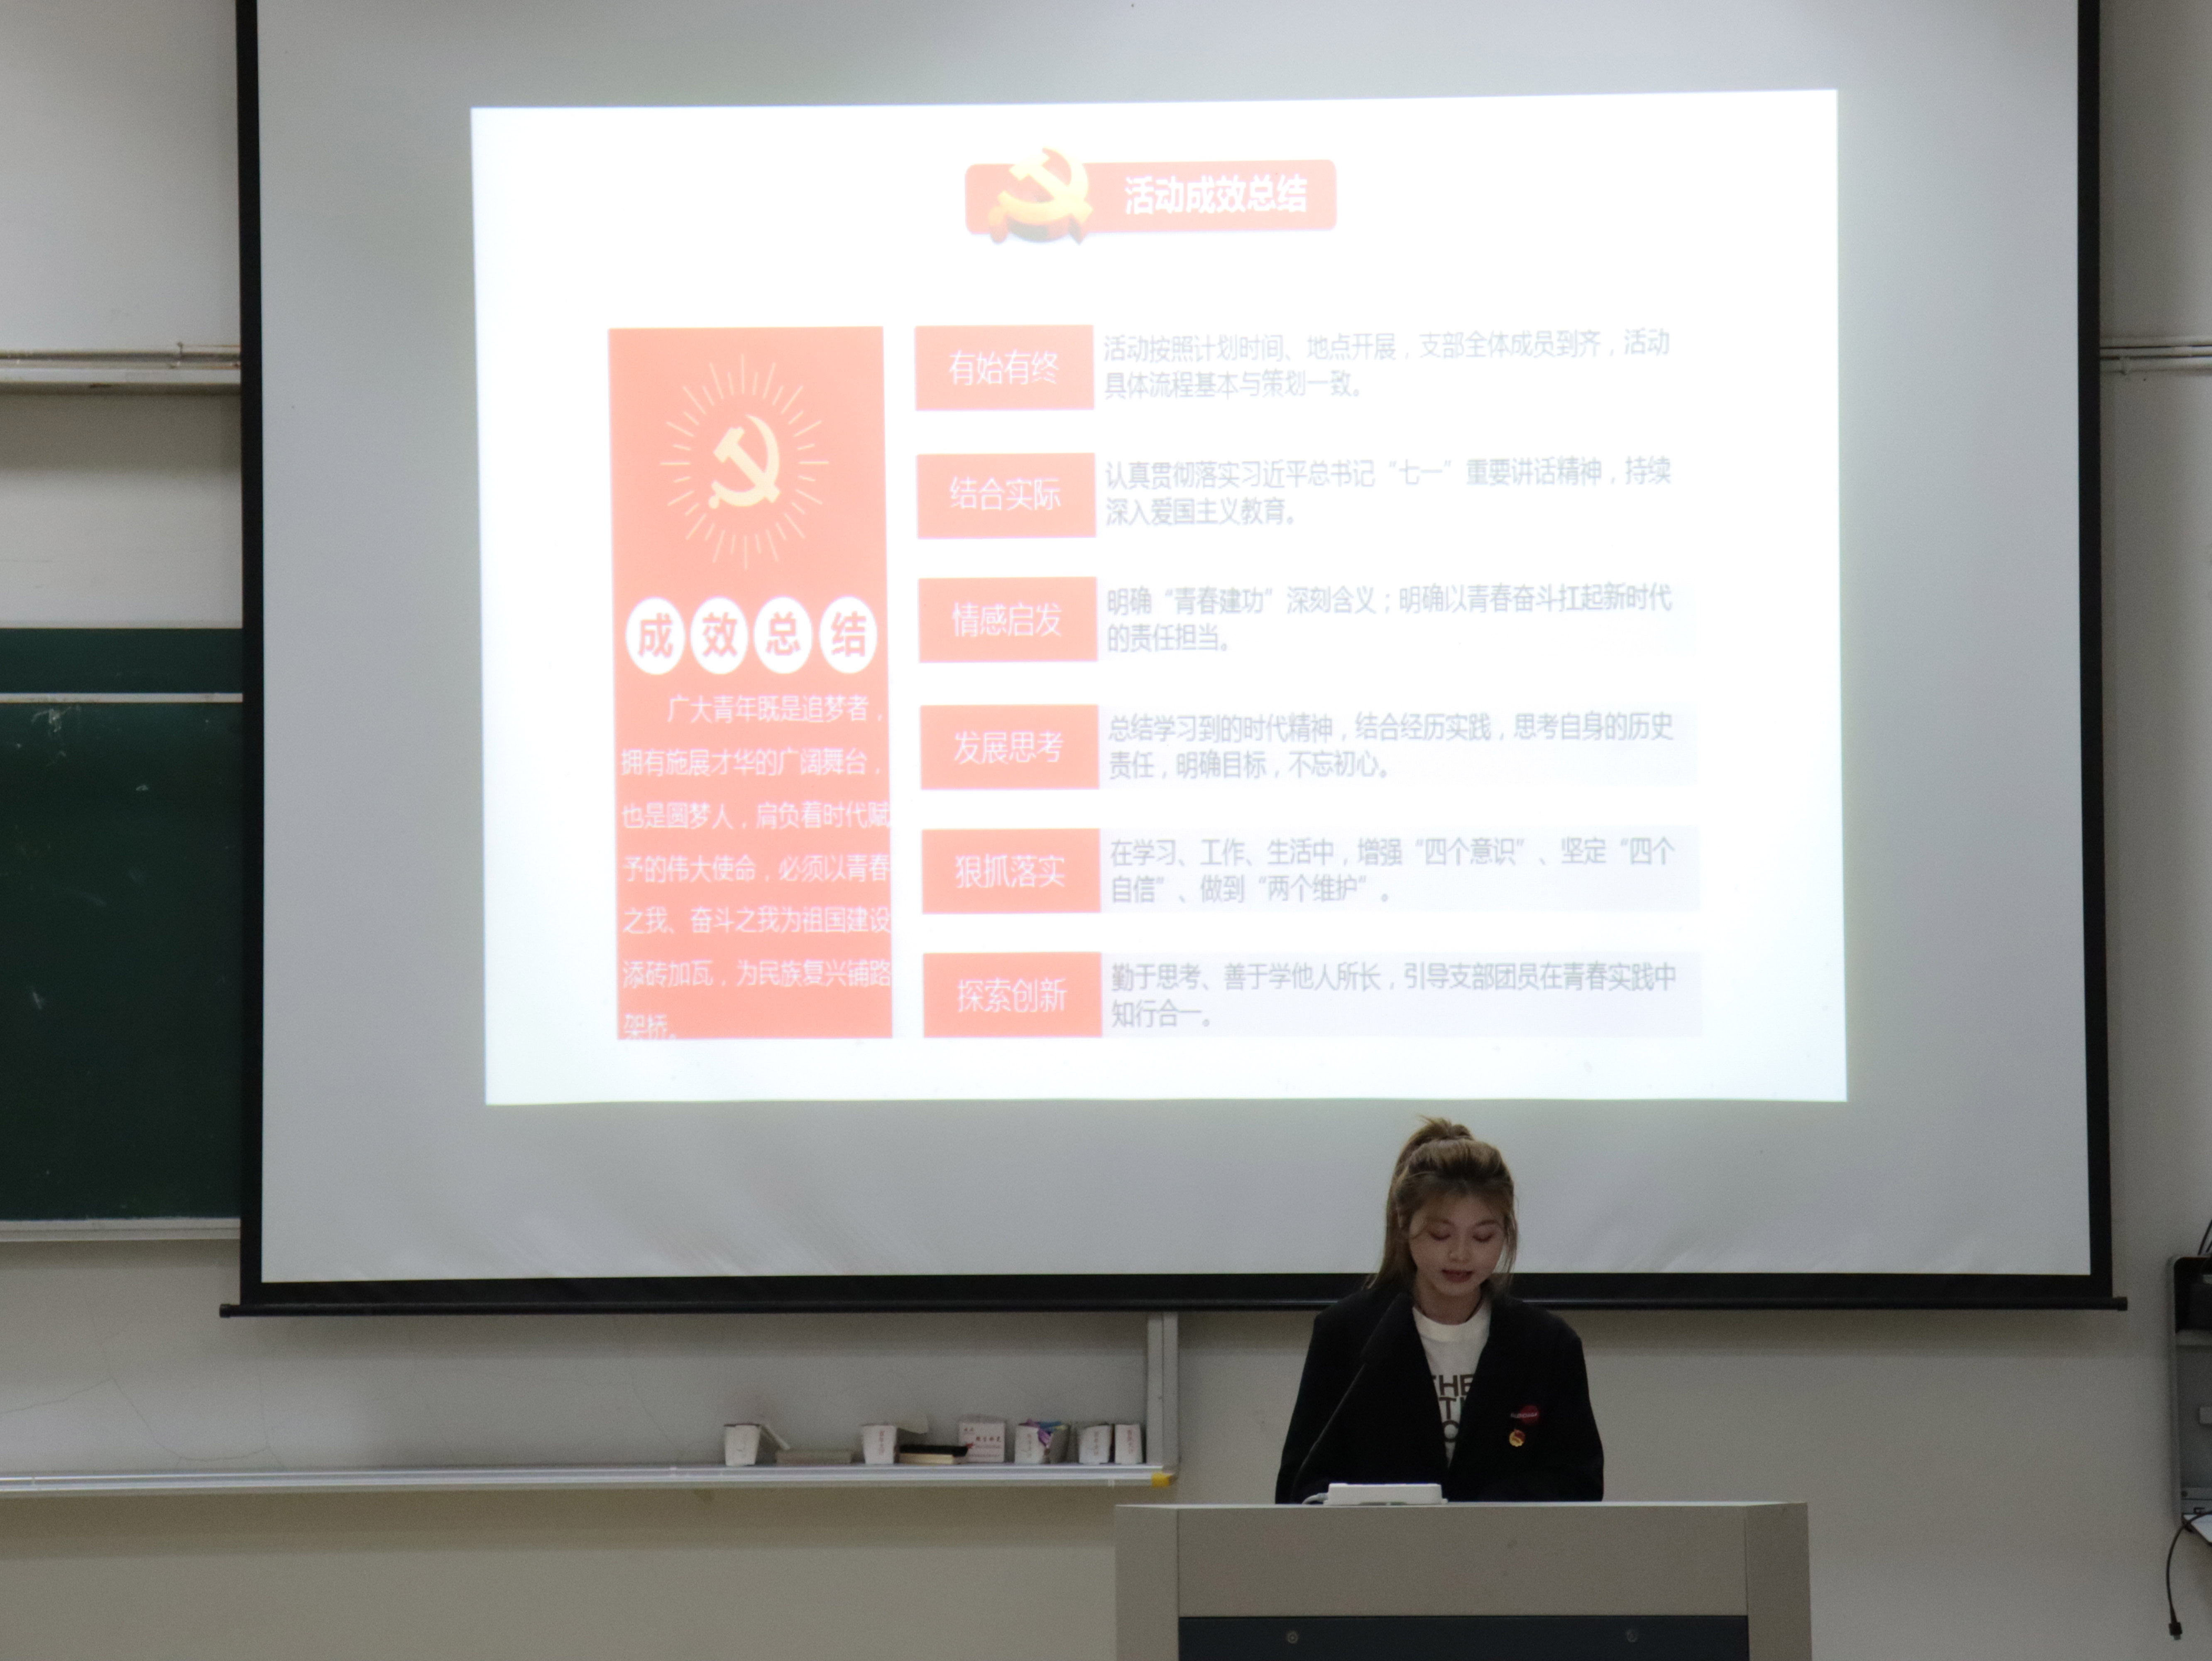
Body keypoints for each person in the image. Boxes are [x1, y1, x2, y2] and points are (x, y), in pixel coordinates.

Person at [1275, 1118, 1603, 1503]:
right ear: (1403, 1222)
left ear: (1506, 1232)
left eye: (1483, 1236)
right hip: (1382, 1540)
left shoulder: (1548, 1345)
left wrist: (1479, 1510)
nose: (1461, 1254)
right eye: (1440, 1235)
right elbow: (1299, 1487)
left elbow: (1579, 1483)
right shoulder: (1347, 1334)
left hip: (1506, 1541)